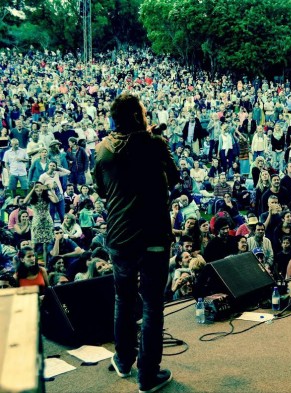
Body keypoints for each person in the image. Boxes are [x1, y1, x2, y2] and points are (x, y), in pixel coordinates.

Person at [94, 93, 178, 392]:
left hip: (119, 237)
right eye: (143, 111)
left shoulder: (103, 149)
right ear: (137, 117)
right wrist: (152, 143)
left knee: (123, 299)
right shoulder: (155, 144)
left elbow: (102, 190)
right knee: (153, 305)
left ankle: (123, 358)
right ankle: (147, 376)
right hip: (153, 235)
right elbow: (175, 176)